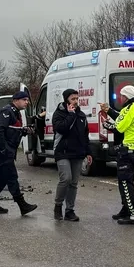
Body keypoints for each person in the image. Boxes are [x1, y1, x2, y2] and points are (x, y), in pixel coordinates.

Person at [0, 91, 37, 216]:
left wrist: (24, 130)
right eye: (24, 100)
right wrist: (4, 149)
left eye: (27, 100)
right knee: (11, 176)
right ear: (16, 100)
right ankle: (22, 205)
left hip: (7, 150)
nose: (26, 102)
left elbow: (12, 130)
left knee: (1, 178)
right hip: (2, 151)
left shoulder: (16, 113)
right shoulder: (7, 111)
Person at [101, 84, 134, 225]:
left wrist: (107, 125)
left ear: (126, 97)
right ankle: (126, 209)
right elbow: (121, 118)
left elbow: (119, 127)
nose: (120, 98)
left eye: (121, 96)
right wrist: (109, 111)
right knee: (123, 182)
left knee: (126, 183)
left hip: (128, 150)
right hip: (131, 149)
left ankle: (133, 214)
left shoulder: (131, 109)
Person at [51, 88, 88, 221]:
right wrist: (71, 115)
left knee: (73, 182)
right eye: (73, 99)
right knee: (65, 178)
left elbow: (85, 135)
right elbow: (62, 129)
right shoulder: (58, 114)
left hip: (77, 152)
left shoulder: (82, 115)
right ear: (66, 100)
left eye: (77, 99)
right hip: (62, 152)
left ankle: (69, 210)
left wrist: (87, 152)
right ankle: (58, 205)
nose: (76, 101)